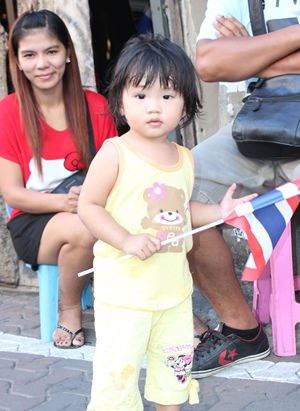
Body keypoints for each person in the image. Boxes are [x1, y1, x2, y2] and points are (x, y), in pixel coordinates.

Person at [78, 33, 256, 411]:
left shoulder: (184, 158)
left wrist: (220, 212)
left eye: (167, 95)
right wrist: (126, 240)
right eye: (141, 95)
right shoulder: (115, 154)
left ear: (185, 106)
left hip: (174, 297)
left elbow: (183, 211)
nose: (153, 107)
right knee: (118, 380)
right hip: (125, 296)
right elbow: (89, 207)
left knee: (172, 377)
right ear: (122, 103)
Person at [190, 0, 300, 378]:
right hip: (260, 125)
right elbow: (208, 64)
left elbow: (233, 64)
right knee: (177, 190)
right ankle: (242, 330)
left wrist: (253, 52)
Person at [0, 10, 118, 349]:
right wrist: (64, 202)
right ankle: (68, 310)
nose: (42, 64)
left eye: (51, 51)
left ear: (67, 52)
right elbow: (13, 193)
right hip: (34, 223)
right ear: (18, 62)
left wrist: (90, 199)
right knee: (83, 227)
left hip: (91, 211)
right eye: (30, 55)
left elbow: (114, 172)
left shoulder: (95, 106)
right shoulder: (8, 112)